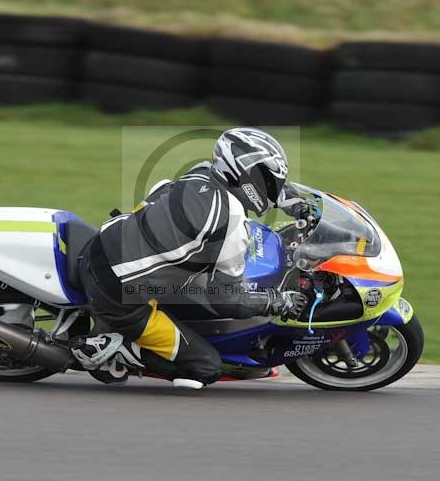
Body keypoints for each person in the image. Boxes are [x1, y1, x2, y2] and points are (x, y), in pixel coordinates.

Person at [71, 128, 308, 388]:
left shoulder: (202, 172)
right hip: (118, 294)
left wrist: (289, 199)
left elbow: (160, 188)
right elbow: (226, 301)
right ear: (248, 175)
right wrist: (275, 301)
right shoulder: (231, 223)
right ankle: (112, 348)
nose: (274, 189)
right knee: (205, 366)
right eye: (271, 182)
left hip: (103, 244)